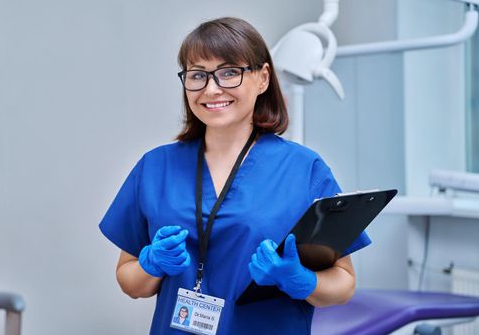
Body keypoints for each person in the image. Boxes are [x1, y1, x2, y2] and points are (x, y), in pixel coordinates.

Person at [99, 17, 371, 335]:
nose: (212, 89)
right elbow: (130, 283)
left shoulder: (303, 168)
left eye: (230, 72)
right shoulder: (155, 166)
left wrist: (299, 279)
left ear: (262, 79)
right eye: (198, 75)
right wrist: (151, 264)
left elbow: (344, 283)